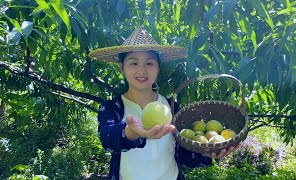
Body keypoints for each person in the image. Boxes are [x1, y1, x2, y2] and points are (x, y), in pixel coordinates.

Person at [89, 26, 239, 180]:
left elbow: (184, 153)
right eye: (134, 63)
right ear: (122, 67)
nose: (142, 70)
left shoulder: (171, 107)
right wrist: (130, 133)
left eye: (149, 63)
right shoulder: (112, 108)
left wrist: (205, 151)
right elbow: (107, 138)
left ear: (158, 68)